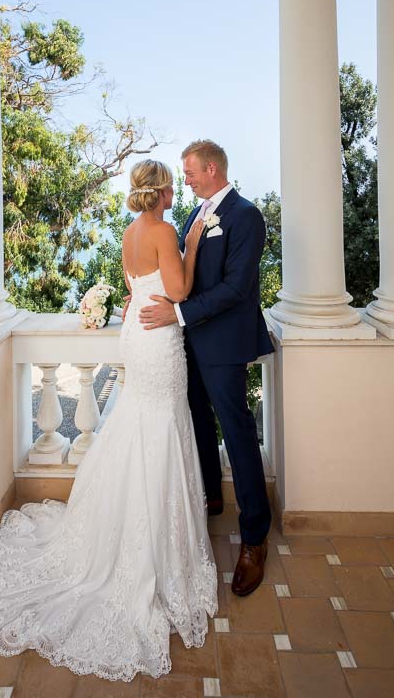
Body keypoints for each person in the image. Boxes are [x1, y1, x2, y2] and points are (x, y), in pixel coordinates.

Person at [0, 159, 217, 682]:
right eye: (170, 185)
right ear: (162, 190)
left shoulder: (129, 232)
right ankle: (153, 545)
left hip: (136, 337)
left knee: (139, 421)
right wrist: (194, 243)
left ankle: (125, 529)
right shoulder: (164, 230)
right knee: (159, 424)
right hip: (159, 338)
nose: (172, 192)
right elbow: (180, 292)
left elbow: (132, 284)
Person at [140, 139, 274, 597]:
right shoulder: (196, 216)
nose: (187, 180)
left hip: (223, 344)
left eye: (191, 172)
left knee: (237, 433)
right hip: (186, 344)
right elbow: (179, 273)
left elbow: (237, 288)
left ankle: (255, 537)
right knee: (197, 421)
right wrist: (140, 296)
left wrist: (176, 315)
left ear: (212, 169)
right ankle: (211, 495)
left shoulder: (245, 215)